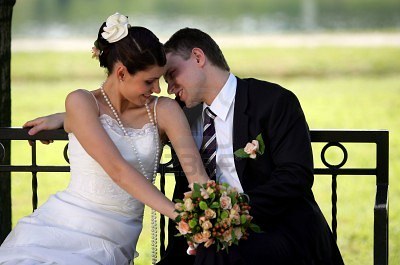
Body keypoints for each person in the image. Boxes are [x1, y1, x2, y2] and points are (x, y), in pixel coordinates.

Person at [0, 14, 209, 265]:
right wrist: (178, 215)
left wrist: (211, 217)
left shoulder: (164, 111)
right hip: (60, 226)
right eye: (149, 81)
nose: (157, 89)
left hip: (112, 239)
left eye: (159, 79)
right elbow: (118, 171)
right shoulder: (81, 102)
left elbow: (197, 174)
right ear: (121, 73)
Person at [157, 28, 345, 265]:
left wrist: (232, 214)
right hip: (207, 241)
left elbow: (295, 176)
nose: (170, 88)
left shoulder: (273, 101)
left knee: (218, 254)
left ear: (198, 57)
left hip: (278, 230)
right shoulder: (182, 116)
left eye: (172, 75)